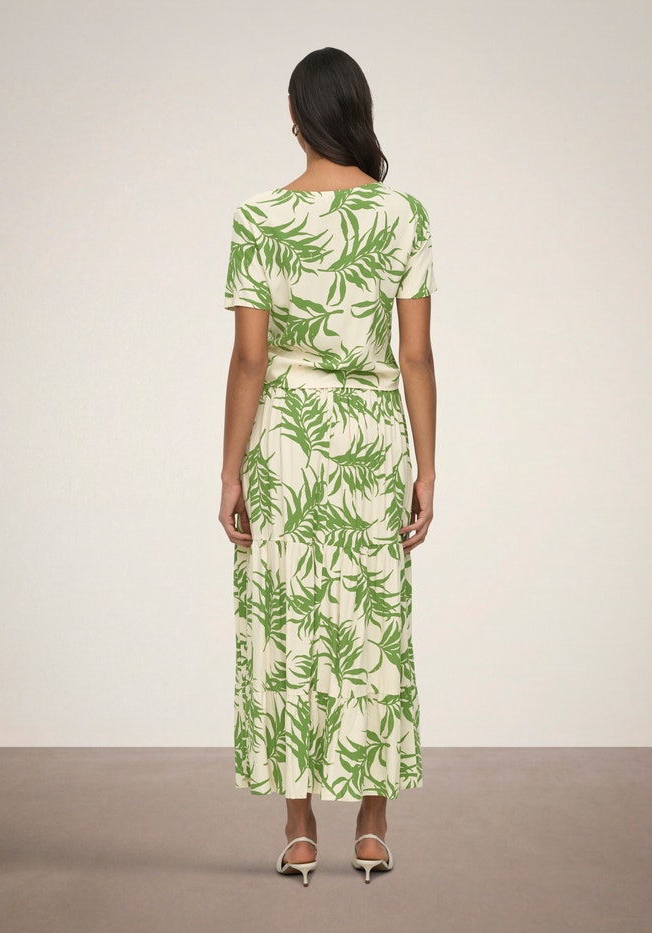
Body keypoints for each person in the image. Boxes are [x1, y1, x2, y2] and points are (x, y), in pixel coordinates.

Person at [219, 47, 437, 886]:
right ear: (358, 111)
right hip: (373, 440)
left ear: (296, 116)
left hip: (287, 441)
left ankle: (300, 829)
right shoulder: (403, 215)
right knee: (372, 621)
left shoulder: (259, 217)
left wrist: (230, 471)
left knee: (289, 618)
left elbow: (250, 358)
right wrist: (427, 468)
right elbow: (415, 356)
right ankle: (373, 829)